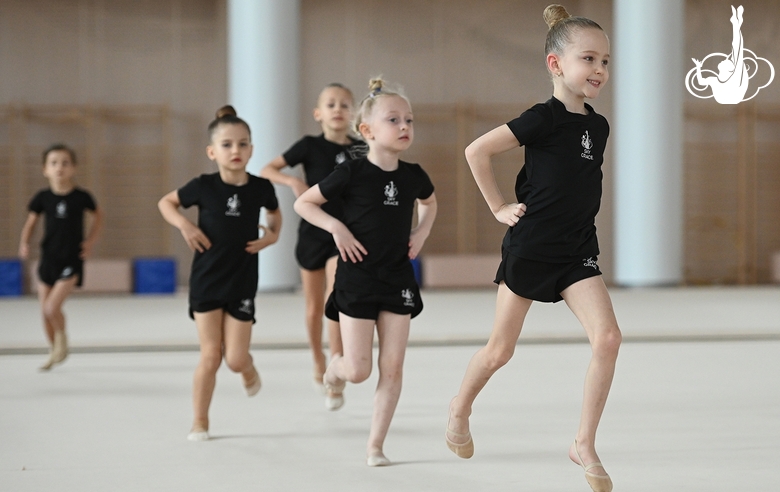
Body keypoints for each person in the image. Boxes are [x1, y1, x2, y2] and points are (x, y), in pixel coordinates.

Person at [445, 5, 620, 492]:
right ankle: (460, 407)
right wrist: (499, 205)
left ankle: (583, 443)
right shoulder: (542, 119)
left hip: (577, 250)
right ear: (556, 64)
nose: (600, 70)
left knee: (608, 339)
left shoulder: (598, 126)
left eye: (606, 61)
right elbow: (476, 150)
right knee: (501, 350)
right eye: (589, 59)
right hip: (532, 247)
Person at [294, 78, 437, 466]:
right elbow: (305, 204)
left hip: (398, 279)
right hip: (356, 279)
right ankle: (333, 372)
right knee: (357, 370)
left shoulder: (413, 175)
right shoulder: (352, 173)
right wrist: (337, 228)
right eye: (394, 120)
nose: (405, 126)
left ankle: (376, 444)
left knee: (392, 367)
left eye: (409, 119)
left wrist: (421, 231)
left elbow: (429, 202)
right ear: (368, 130)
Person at [158, 106, 281, 441]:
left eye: (243, 144)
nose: (236, 151)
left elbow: (275, 213)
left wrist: (272, 236)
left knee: (236, 358)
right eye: (227, 145)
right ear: (212, 152)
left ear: (252, 149)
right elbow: (166, 203)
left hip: (242, 280)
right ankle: (200, 421)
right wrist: (185, 224)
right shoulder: (203, 186)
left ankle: (248, 369)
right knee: (211, 355)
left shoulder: (260, 187)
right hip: (207, 281)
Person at [260, 83, 363, 408]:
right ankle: (317, 358)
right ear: (318, 113)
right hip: (312, 233)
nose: (338, 109)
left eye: (345, 104)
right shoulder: (308, 145)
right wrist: (292, 181)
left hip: (342, 233)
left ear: (354, 114)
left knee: (336, 299)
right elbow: (267, 169)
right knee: (313, 306)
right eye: (331, 104)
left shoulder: (360, 148)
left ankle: (336, 364)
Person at [19, 144, 103, 371]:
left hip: (71, 259)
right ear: (45, 169)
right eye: (54, 163)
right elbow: (31, 223)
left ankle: (62, 340)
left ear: (73, 168)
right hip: (48, 259)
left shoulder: (81, 197)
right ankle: (54, 350)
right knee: (44, 314)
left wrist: (90, 242)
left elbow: (98, 216)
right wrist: (24, 243)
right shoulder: (42, 198)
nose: (59, 168)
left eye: (65, 163)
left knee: (51, 308)